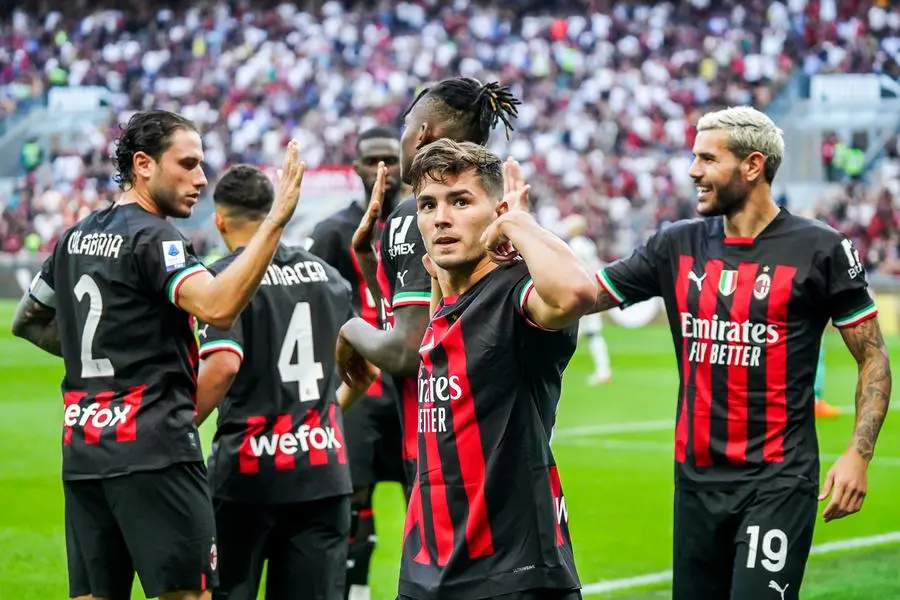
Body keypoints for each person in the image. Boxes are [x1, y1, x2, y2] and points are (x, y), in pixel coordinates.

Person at [589, 106, 892, 599]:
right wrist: (517, 228)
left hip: (777, 480)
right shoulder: (676, 244)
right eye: (694, 158)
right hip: (695, 482)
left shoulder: (823, 249)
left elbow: (873, 356)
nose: (693, 172)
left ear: (752, 166)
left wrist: (859, 453)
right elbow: (579, 295)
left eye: (707, 159)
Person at [10, 109, 307, 600]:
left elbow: (28, 320)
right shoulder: (154, 236)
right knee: (186, 594)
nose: (201, 178)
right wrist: (275, 221)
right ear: (143, 164)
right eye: (187, 164)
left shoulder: (76, 236)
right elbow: (217, 305)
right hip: (154, 452)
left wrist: (112, 350)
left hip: (84, 452)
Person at [396, 138, 596, 600]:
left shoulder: (516, 295)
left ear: (497, 211)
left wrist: (518, 224)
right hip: (428, 567)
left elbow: (576, 294)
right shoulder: (449, 304)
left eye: (460, 201)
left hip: (512, 574)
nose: (440, 217)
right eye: (428, 205)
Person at [193, 164, 377, 600]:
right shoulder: (328, 278)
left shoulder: (220, 283)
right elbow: (366, 370)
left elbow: (221, 365)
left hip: (246, 472)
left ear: (219, 221)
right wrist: (324, 416)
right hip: (322, 471)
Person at [337, 78, 521, 488]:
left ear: (421, 133)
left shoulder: (416, 214)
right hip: (502, 437)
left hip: (443, 443)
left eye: (404, 127)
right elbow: (441, 315)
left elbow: (407, 351)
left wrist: (351, 329)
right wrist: (371, 262)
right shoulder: (495, 206)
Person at [307, 126, 406, 600]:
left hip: (415, 381)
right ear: (357, 168)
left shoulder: (421, 223)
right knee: (356, 493)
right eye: (373, 160)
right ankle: (358, 591)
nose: (383, 169)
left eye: (391, 158)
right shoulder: (332, 232)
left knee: (428, 494)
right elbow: (312, 306)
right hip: (360, 381)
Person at [561, 214, 612, 385]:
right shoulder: (588, 244)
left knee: (583, 333)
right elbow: (597, 266)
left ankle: (603, 372)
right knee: (589, 333)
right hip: (592, 290)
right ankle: (603, 371)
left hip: (579, 293)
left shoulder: (574, 246)